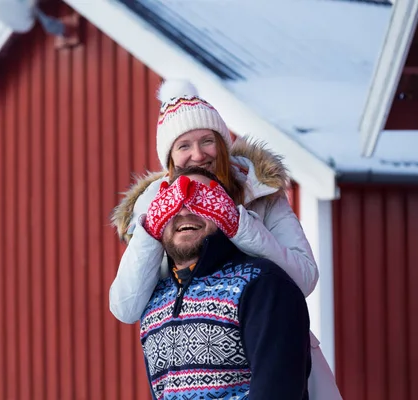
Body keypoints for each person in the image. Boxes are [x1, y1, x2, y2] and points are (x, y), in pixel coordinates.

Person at [110, 79, 342, 399]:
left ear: (223, 143)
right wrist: (151, 228)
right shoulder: (154, 206)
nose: (197, 154)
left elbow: (301, 279)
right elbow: (126, 306)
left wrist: (237, 224)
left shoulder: (260, 192)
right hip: (188, 357)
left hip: (269, 353)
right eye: (183, 145)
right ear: (169, 160)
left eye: (207, 140)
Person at [140, 166, 311, 399]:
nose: (185, 211)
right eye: (172, 202)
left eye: (201, 199)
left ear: (222, 210)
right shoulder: (154, 303)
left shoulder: (262, 285)